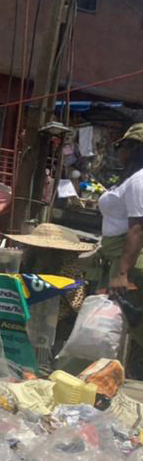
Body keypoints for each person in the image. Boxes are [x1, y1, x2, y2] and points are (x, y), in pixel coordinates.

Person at [97, 125, 143, 362]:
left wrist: (122, 273)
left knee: (126, 317)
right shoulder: (131, 178)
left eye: (121, 146)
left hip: (128, 260)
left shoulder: (139, 180)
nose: (118, 151)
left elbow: (137, 228)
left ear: (135, 148)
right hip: (119, 255)